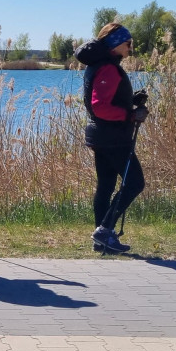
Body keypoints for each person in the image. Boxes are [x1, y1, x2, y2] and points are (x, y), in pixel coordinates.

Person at [75, 22, 147, 253]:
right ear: (117, 43)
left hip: (102, 136)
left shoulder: (100, 64)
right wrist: (130, 114)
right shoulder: (108, 68)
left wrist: (131, 101)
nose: (130, 48)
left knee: (106, 186)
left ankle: (101, 239)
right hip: (113, 137)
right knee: (135, 183)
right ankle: (104, 230)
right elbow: (100, 107)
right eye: (128, 43)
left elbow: (106, 100)